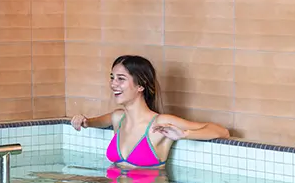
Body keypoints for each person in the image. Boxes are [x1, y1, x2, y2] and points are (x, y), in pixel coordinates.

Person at [70, 55, 230, 168]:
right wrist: (84, 121)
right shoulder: (118, 118)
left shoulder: (160, 123)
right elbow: (93, 122)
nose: (113, 84)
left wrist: (185, 134)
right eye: (112, 77)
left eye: (121, 79)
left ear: (141, 86)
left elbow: (221, 131)